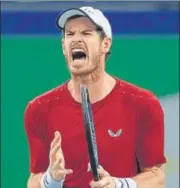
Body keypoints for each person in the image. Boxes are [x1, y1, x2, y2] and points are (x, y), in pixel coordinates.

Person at [24, 6, 167, 188]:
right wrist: (51, 179)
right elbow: (34, 180)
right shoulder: (39, 108)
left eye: (86, 33)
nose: (76, 39)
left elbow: (157, 178)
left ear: (105, 44)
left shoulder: (143, 103)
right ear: (63, 47)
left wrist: (118, 185)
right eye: (69, 34)